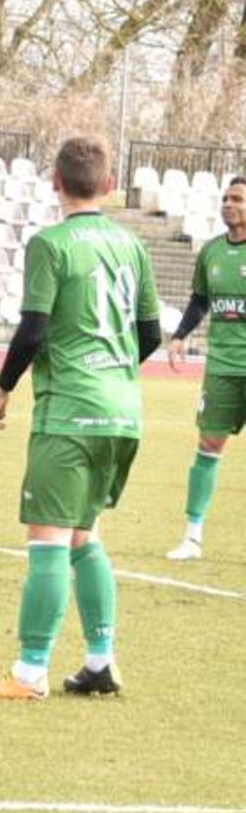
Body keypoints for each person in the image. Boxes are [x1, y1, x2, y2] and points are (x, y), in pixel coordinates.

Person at [0, 135, 160, 700]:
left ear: (55, 181)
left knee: (48, 540)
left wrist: (2, 389)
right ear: (107, 185)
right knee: (85, 535)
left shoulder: (50, 245)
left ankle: (30, 672)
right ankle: (101, 660)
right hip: (122, 411)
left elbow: (33, 329)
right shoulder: (132, 245)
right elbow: (148, 333)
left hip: (71, 412)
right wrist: (112, 371)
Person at [163, 175, 246, 562]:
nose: (229, 204)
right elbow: (200, 300)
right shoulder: (212, 252)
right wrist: (180, 335)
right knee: (208, 445)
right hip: (223, 367)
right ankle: (193, 537)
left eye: (238, 199)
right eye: (226, 198)